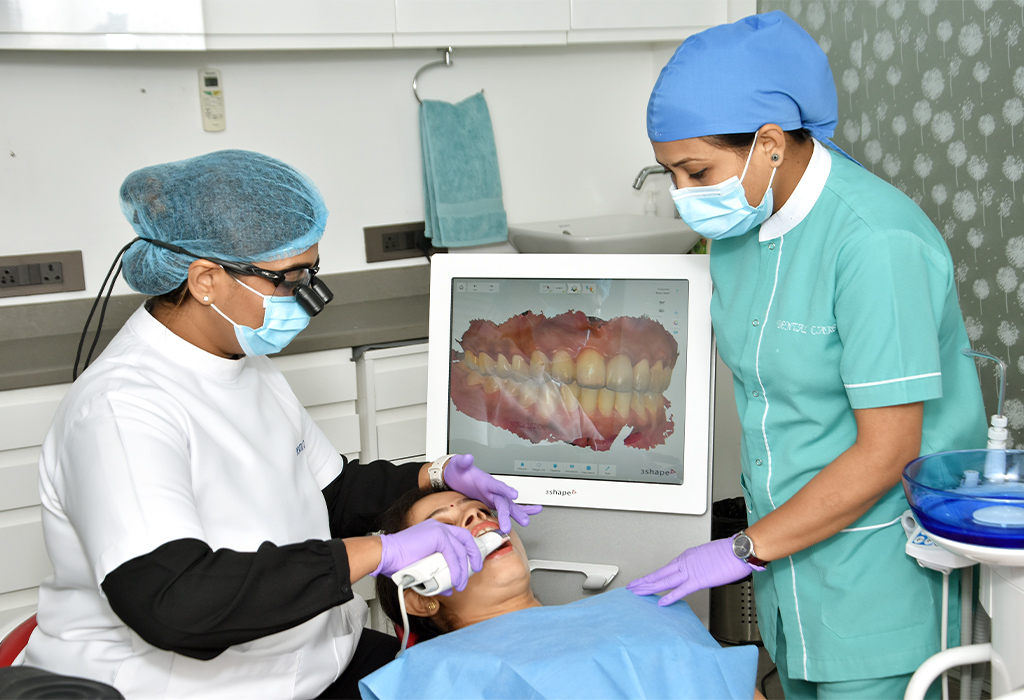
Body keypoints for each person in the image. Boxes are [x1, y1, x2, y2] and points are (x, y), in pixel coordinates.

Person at [19, 149, 540, 700]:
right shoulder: (121, 409)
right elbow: (177, 603)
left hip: (313, 660)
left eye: (311, 272)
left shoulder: (244, 361)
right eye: (287, 278)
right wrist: (381, 552)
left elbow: (327, 493)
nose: (310, 298)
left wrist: (437, 477)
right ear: (205, 281)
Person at [626, 12, 988, 700]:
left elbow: (888, 451)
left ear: (768, 143)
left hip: (880, 580)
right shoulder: (740, 232)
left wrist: (740, 549)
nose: (683, 196)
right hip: (789, 571)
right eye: (668, 172)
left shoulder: (876, 244)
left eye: (696, 170)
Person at [363, 487, 761, 700]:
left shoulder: (644, 604)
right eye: (443, 529)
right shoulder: (433, 676)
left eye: (481, 510)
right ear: (420, 593)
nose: (475, 516)